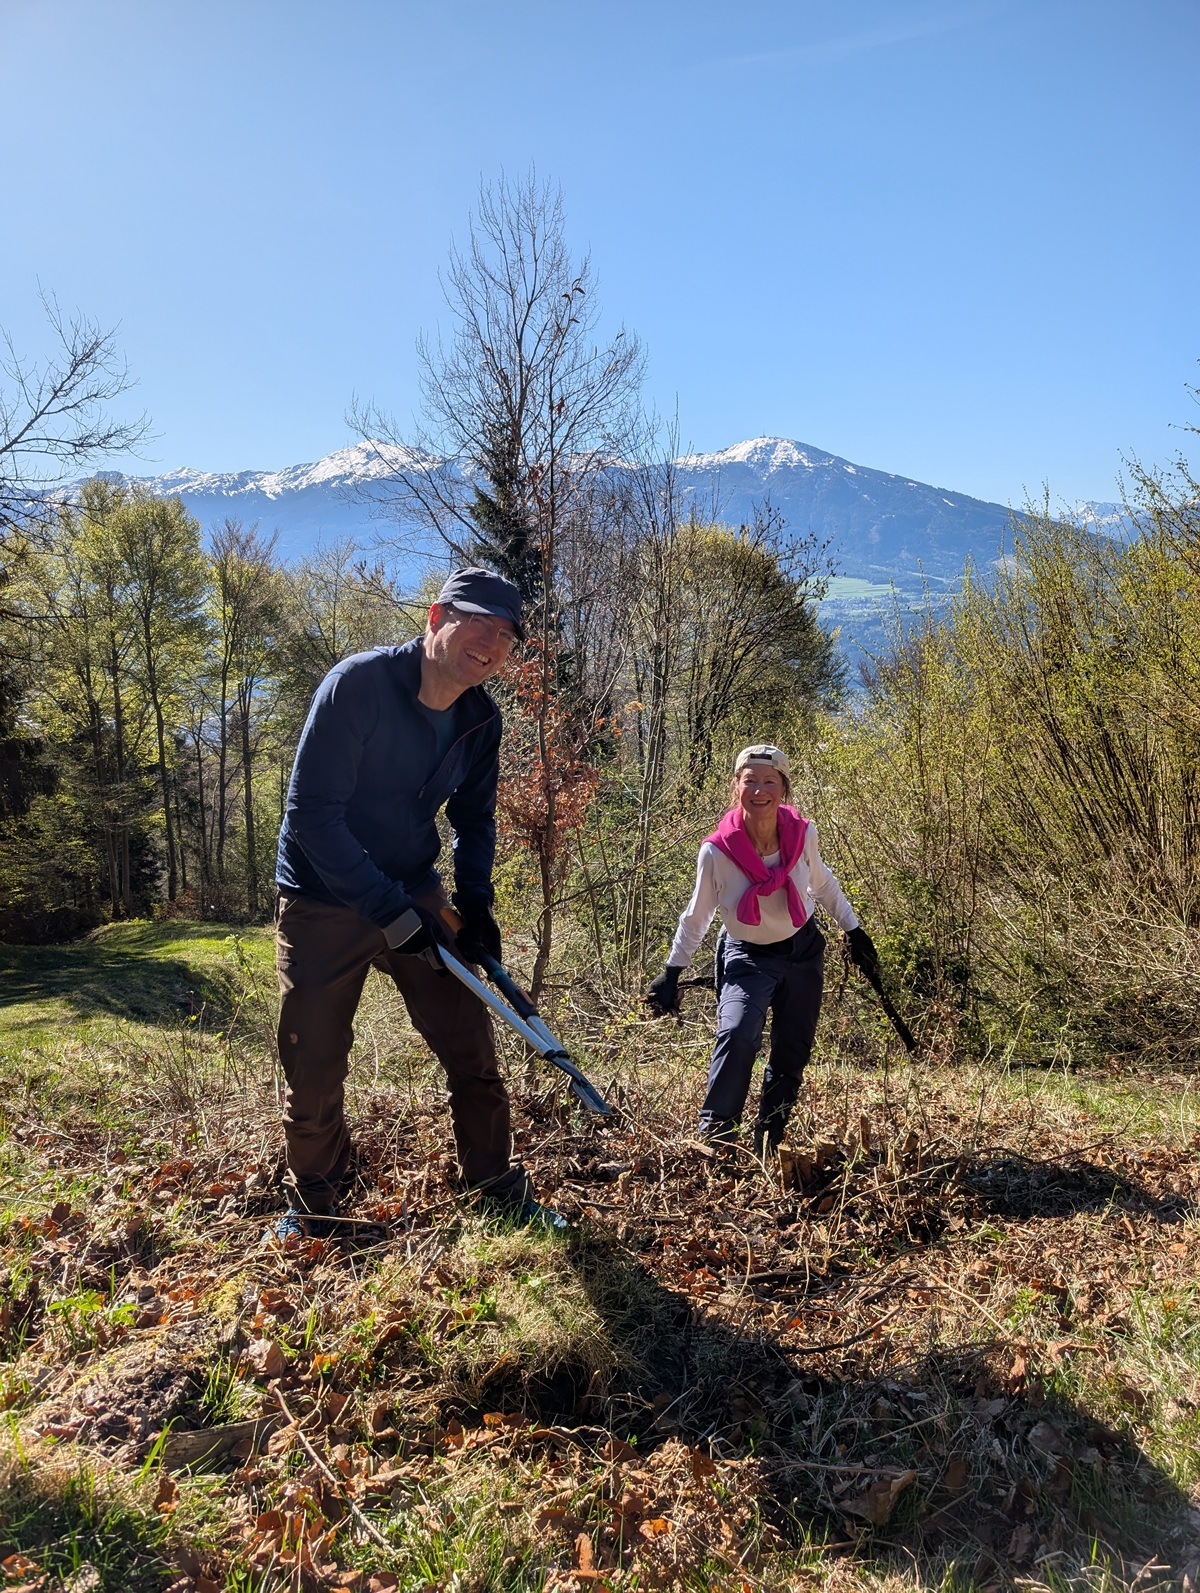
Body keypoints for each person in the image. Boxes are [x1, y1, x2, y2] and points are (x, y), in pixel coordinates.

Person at [273, 567, 558, 1237]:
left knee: (471, 1044)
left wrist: (477, 904)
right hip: (322, 894)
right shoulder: (359, 687)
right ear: (435, 618)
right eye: (476, 623)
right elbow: (312, 815)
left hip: (413, 883)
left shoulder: (479, 718)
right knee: (312, 1062)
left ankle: (494, 1186)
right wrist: (385, 909)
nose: (490, 642)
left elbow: (475, 819)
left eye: (506, 635)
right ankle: (315, 1206)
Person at [645, 744, 879, 1156]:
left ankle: (771, 1135)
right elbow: (697, 916)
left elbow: (821, 884)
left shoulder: (803, 834)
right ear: (736, 787)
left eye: (769, 780)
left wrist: (853, 930)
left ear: (784, 788)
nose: (760, 789)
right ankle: (717, 1137)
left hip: (803, 950)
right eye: (749, 780)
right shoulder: (717, 851)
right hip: (747, 955)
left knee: (792, 1049)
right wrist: (673, 970)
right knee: (736, 1033)